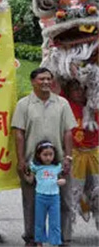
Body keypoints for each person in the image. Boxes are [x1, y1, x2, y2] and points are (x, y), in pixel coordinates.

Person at [12, 67, 76, 246]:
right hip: (33, 164)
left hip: (59, 163)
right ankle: (32, 238)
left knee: (64, 202)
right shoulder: (24, 104)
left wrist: (68, 158)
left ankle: (64, 239)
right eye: (42, 79)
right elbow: (19, 133)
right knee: (31, 204)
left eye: (49, 79)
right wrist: (21, 160)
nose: (46, 82)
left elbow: (68, 133)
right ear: (33, 82)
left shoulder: (62, 103)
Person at [63, 80, 99, 229]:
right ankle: (66, 230)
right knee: (72, 193)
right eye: (74, 89)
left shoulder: (94, 104)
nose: (78, 92)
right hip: (75, 154)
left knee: (97, 191)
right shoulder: (65, 104)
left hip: (94, 153)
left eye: (80, 89)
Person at [24, 140, 66, 246]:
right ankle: (39, 242)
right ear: (39, 155)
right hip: (40, 197)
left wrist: (62, 181)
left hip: (54, 198)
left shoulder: (57, 167)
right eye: (45, 155)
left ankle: (55, 242)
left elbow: (63, 179)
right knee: (39, 221)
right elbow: (30, 180)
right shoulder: (36, 167)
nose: (48, 157)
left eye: (51, 154)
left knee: (55, 222)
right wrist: (22, 172)